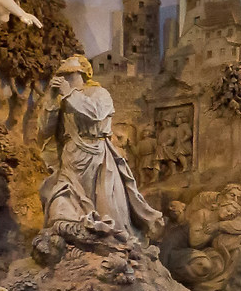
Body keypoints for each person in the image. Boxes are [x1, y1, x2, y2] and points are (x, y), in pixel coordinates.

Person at [39, 56, 163, 241]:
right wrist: (51, 100)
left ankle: (115, 248)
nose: (64, 78)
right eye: (61, 75)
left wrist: (70, 94)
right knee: (62, 201)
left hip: (98, 158)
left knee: (108, 210)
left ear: (81, 73)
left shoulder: (99, 93)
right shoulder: (60, 99)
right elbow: (45, 130)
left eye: (68, 74)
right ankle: (73, 245)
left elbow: (95, 114)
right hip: (70, 159)